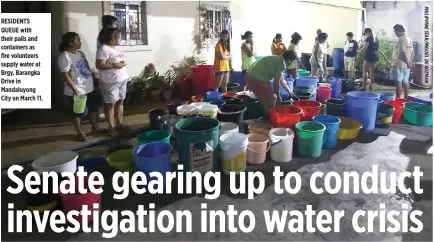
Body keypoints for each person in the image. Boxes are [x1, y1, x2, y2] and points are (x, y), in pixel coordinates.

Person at [58, 32, 99, 141]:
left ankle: (95, 128)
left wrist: (93, 79)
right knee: (78, 112)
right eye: (78, 40)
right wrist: (73, 88)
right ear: (71, 42)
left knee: (93, 109)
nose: (80, 42)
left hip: (88, 87)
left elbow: (85, 68)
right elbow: (65, 75)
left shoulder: (80, 53)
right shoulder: (65, 56)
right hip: (77, 90)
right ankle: (80, 132)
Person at [96, 28, 128, 136]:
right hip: (110, 82)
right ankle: (111, 127)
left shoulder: (117, 48)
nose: (120, 38)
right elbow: (99, 65)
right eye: (118, 36)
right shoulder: (104, 49)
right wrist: (115, 65)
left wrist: (122, 63)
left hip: (122, 79)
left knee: (120, 102)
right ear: (112, 38)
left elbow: (120, 60)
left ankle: (119, 123)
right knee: (110, 104)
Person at [245, 50, 298, 115]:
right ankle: (269, 118)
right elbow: (276, 84)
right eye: (293, 61)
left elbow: (282, 80)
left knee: (266, 99)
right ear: (289, 60)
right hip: (257, 78)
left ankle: (266, 115)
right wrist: (278, 97)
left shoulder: (277, 59)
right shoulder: (281, 64)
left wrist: (289, 91)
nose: (292, 63)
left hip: (249, 75)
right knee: (272, 98)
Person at [96, 15, 118, 121]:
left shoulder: (108, 33)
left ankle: (107, 113)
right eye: (114, 23)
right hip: (108, 71)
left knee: (110, 98)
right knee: (107, 97)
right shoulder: (104, 35)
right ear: (109, 24)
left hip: (114, 72)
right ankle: (102, 113)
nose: (116, 25)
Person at [391, 24, 414, 99]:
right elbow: (412, 52)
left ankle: (398, 98)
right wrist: (409, 62)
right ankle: (406, 97)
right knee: (405, 81)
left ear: (399, 30)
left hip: (400, 63)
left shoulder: (401, 39)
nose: (395, 33)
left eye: (395, 31)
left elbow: (402, 52)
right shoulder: (408, 38)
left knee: (399, 81)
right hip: (407, 65)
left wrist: (407, 62)